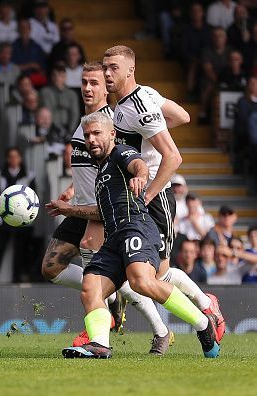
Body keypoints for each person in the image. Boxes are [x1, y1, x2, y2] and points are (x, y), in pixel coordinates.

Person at [49, 112, 220, 359]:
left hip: (136, 227)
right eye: (87, 135)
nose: (91, 139)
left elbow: (138, 164)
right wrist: (68, 210)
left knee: (141, 280)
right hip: (114, 237)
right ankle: (99, 345)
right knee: (90, 286)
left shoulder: (119, 153)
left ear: (112, 134)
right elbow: (102, 212)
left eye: (97, 133)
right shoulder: (102, 175)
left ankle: (203, 325)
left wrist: (140, 176)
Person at [41, 62, 173, 354]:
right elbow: (94, 163)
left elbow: (125, 161)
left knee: (106, 275)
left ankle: (146, 330)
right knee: (50, 267)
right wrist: (74, 188)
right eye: (84, 83)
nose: (88, 89)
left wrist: (141, 178)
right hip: (78, 205)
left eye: (95, 83)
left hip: (102, 211)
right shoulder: (86, 121)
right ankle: (112, 305)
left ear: (107, 87)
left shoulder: (112, 123)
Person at [102, 45, 225, 339]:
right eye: (105, 67)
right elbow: (183, 116)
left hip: (155, 197)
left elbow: (174, 157)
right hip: (140, 194)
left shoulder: (140, 106)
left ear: (130, 70)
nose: (107, 73)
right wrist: (154, 131)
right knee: (144, 275)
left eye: (113, 68)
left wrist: (147, 196)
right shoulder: (141, 96)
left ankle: (206, 307)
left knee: (156, 276)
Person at [0, 147, 35, 282]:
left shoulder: (29, 175)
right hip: (3, 219)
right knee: (0, 249)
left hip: (22, 220)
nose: (14, 160)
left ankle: (17, 278)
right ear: (8, 159)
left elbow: (32, 196)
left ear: (20, 159)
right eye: (11, 157)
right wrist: (5, 207)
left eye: (16, 157)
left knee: (20, 250)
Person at [39, 65, 80, 133]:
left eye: (61, 76)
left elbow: (75, 114)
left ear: (65, 77)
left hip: (69, 130)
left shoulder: (72, 94)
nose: (57, 78)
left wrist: (71, 130)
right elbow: (46, 113)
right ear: (51, 77)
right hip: (49, 129)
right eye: (55, 75)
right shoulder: (44, 92)